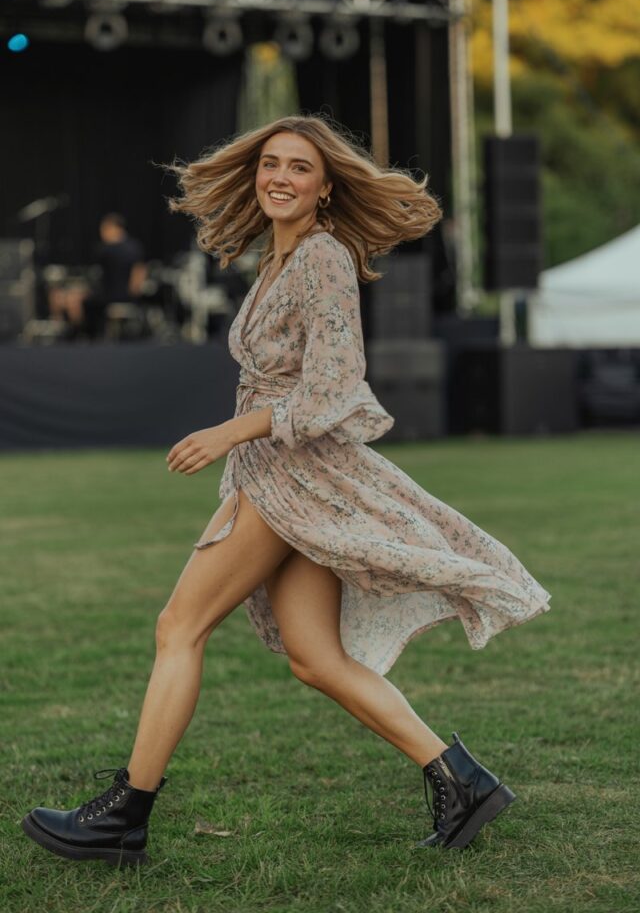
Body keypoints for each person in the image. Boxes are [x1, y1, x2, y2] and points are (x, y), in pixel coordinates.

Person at [21, 115, 551, 867]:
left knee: (180, 627)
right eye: (271, 163)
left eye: (299, 168)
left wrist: (230, 435)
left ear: (326, 185)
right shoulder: (283, 258)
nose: (279, 177)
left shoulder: (323, 258)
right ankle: (463, 781)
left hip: (291, 476)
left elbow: (336, 386)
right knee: (315, 659)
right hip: (273, 472)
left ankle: (123, 816)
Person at [68, 212, 147, 340]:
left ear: (114, 228)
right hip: (130, 296)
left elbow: (95, 276)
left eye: (104, 229)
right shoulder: (135, 247)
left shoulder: (105, 250)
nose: (102, 233)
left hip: (109, 296)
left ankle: (82, 335)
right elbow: (140, 273)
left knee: (74, 299)